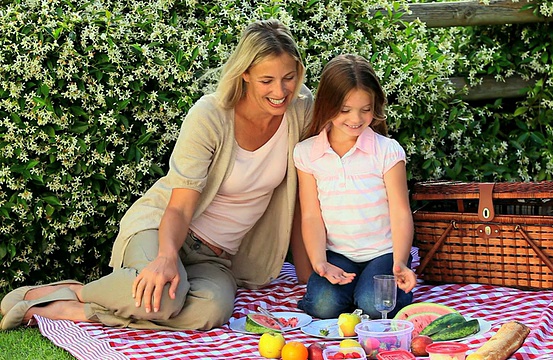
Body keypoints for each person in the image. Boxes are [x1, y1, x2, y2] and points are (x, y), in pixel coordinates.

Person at [0, 19, 313, 331]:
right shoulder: (211, 117)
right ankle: (75, 292)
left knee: (210, 312)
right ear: (244, 74)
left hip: (216, 259)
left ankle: (78, 307)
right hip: (164, 230)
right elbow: (179, 206)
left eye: (289, 77)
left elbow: (318, 173)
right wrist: (165, 257)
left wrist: (309, 274)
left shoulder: (300, 110)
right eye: (266, 80)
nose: (280, 91)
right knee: (163, 299)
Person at [294, 54, 416, 320]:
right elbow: (311, 215)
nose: (356, 119)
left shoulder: (387, 151)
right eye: (345, 110)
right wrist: (320, 262)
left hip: (384, 253)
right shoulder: (306, 154)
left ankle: (370, 293)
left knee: (375, 305)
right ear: (327, 105)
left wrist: (399, 261)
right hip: (338, 254)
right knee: (322, 305)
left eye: (366, 109)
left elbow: (400, 211)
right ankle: (354, 292)